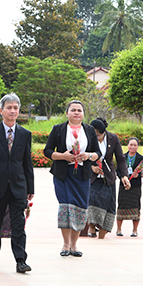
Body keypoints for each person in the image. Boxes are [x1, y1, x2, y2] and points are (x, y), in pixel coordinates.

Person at [0, 93, 34, 273]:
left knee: (19, 224)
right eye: (9, 108)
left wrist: (30, 188)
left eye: (15, 108)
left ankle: (20, 260)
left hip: (18, 186)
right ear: (0, 111)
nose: (12, 111)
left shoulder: (25, 134)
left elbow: (27, 162)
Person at [43, 100, 101, 257]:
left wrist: (88, 156)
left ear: (83, 113)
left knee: (80, 208)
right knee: (66, 207)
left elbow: (97, 153)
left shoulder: (89, 130)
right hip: (63, 174)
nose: (76, 113)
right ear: (67, 113)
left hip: (82, 175)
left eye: (79, 110)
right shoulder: (59, 129)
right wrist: (63, 156)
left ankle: (75, 245)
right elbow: (47, 151)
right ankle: (65, 244)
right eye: (73, 110)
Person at [86, 117, 130, 239]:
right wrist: (91, 167)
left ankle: (102, 235)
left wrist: (125, 176)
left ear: (104, 132)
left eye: (99, 135)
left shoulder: (113, 138)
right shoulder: (87, 138)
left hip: (108, 177)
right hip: (93, 177)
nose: (97, 138)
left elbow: (121, 159)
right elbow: (81, 156)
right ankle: (91, 227)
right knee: (92, 201)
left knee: (109, 205)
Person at [116, 137, 143, 237]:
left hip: (135, 186)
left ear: (138, 146)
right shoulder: (122, 157)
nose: (132, 147)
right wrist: (122, 178)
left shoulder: (141, 159)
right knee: (121, 206)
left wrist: (138, 175)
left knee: (136, 207)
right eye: (131, 145)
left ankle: (134, 230)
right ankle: (119, 229)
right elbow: (118, 170)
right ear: (127, 145)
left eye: (135, 145)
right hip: (123, 185)